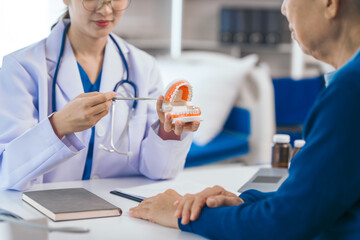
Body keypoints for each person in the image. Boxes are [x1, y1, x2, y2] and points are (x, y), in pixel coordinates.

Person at [129, 0, 360, 239]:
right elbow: (316, 196)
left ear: (330, 4)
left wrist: (182, 215)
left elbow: (286, 222)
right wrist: (243, 202)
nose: (283, 8)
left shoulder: (350, 92)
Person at [0, 0, 200, 191]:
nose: (106, 10)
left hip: (119, 210)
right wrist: (59, 125)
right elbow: (8, 173)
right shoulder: (21, 67)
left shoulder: (144, 66)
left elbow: (159, 172)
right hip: (42, 213)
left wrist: (170, 132)